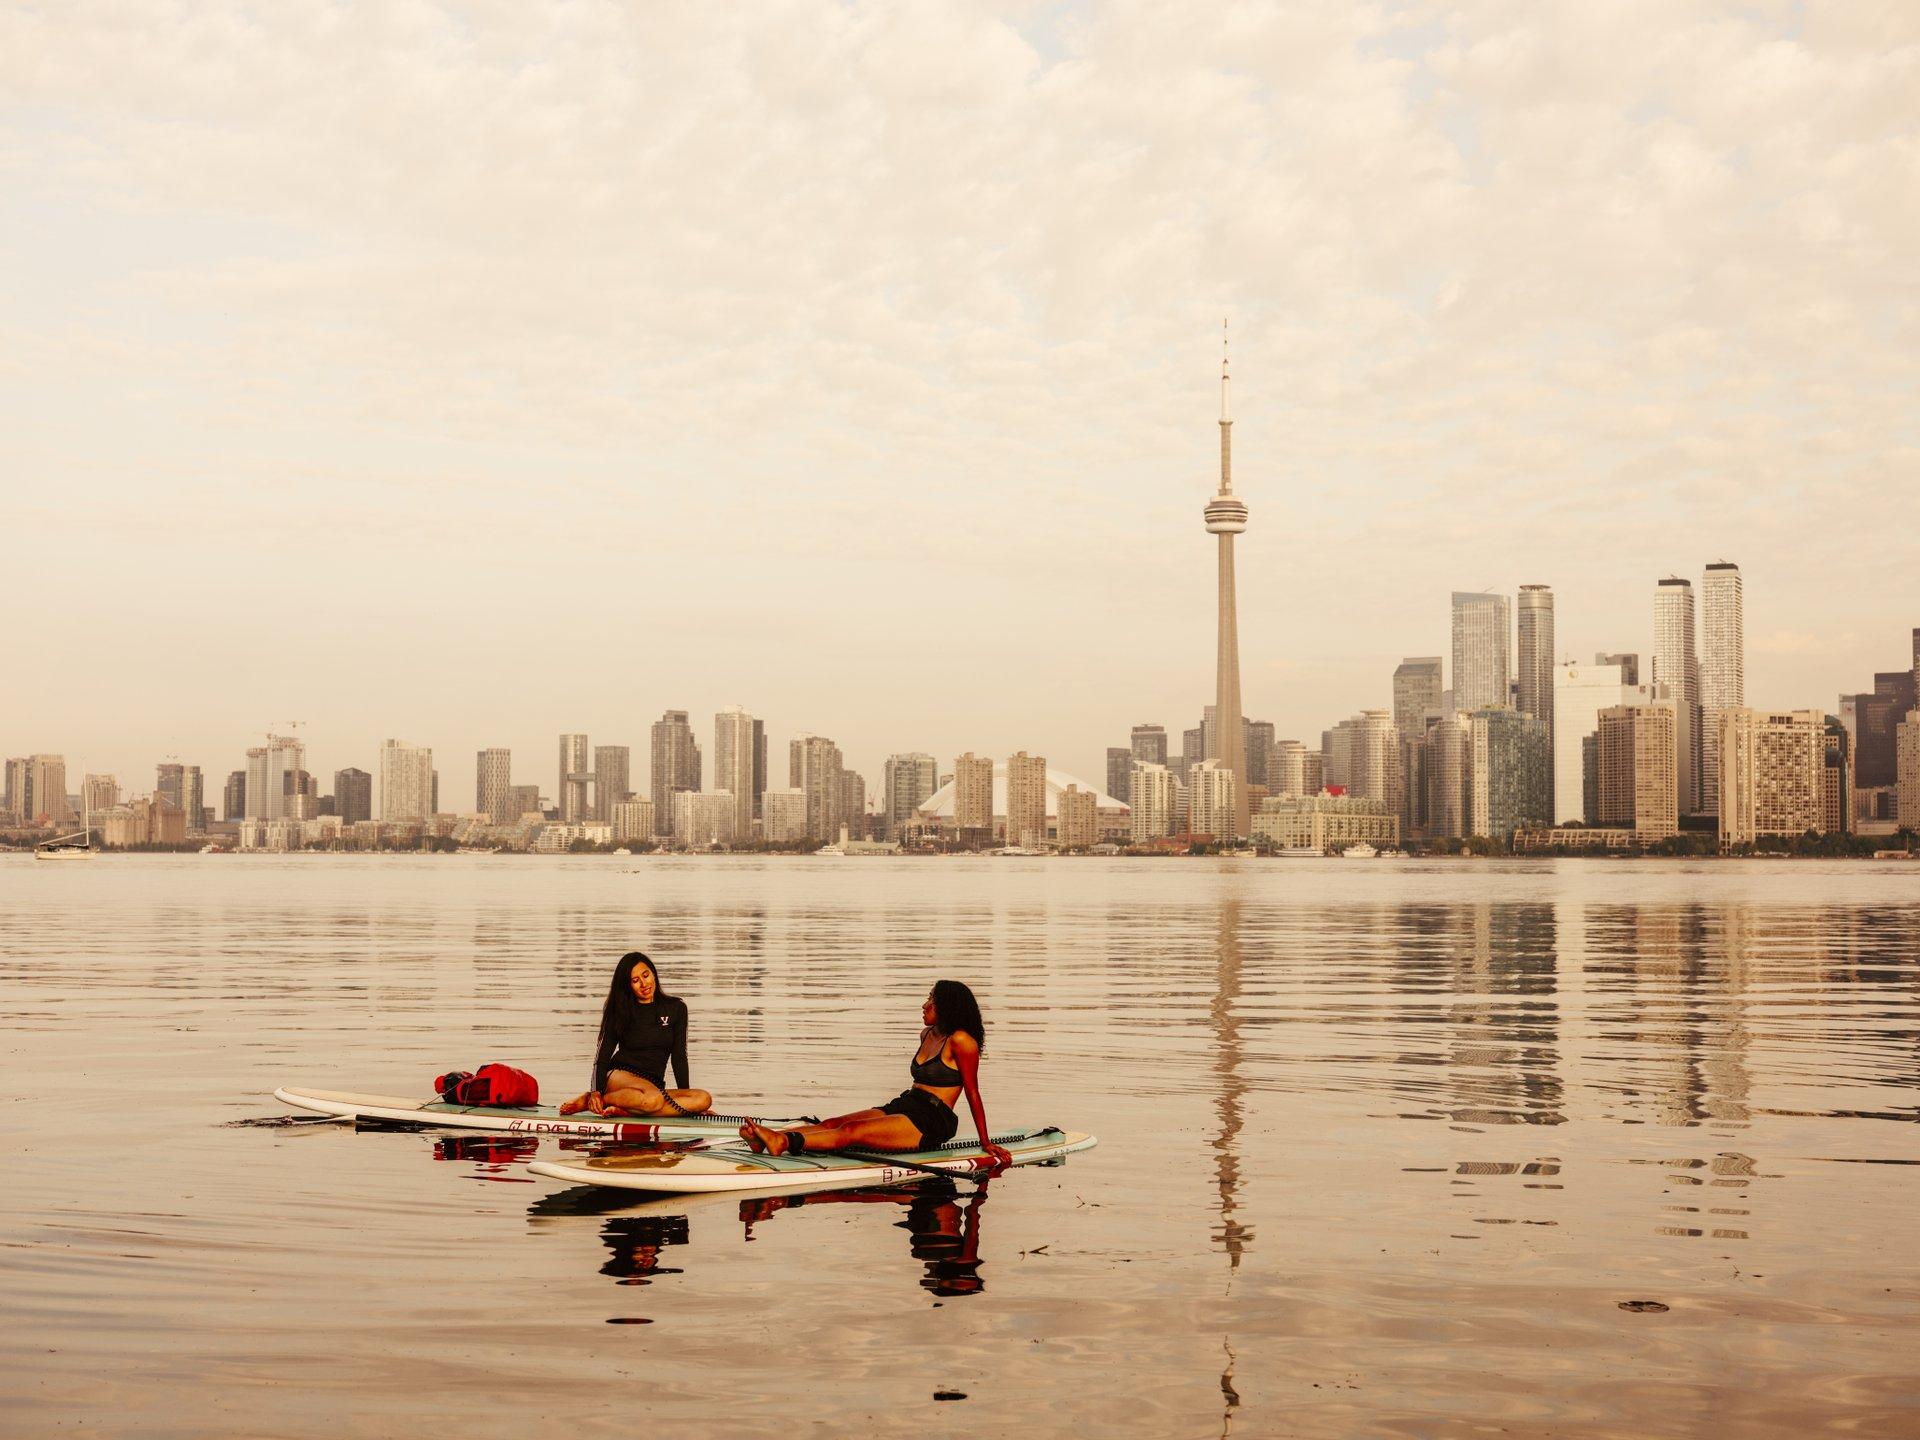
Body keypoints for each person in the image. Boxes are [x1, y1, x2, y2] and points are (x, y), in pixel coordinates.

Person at [740, 980, 1012, 1170]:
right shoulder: (927, 1034)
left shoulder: (962, 1041)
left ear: (947, 1006)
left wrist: (985, 1142)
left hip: (932, 1120)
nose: (924, 1004)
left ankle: (783, 1141)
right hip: (907, 1104)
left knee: (851, 1131)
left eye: (931, 999)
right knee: (834, 1122)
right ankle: (767, 1139)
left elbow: (973, 1092)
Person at [558, 952, 714, 1117]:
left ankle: (629, 1111)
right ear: (628, 985)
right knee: (653, 1099)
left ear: (653, 973)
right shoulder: (619, 1010)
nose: (643, 984)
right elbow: (602, 1055)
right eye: (635, 980)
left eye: (645, 975)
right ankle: (595, 1099)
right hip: (620, 1076)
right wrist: (595, 1090)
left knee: (702, 1098)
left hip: (651, 1086)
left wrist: (689, 1105)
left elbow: (679, 1057)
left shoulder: (676, 1008)